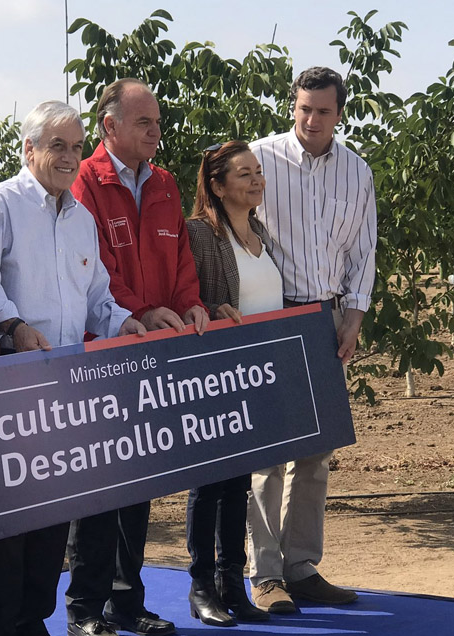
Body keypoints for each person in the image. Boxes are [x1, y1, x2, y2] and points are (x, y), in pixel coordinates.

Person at [0, 100, 146, 636]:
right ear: (30, 150)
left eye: (75, 146)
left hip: (66, 387)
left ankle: (33, 620)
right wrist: (14, 324)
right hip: (9, 387)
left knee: (49, 516)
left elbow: (96, 298)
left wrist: (123, 324)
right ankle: (0, 627)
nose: (70, 157)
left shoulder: (82, 219)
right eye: (57, 146)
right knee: (6, 519)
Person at [66, 77, 208, 636]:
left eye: (156, 120)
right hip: (107, 352)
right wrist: (141, 314)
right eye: (143, 122)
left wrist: (189, 304)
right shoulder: (86, 182)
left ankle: (127, 603)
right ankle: (85, 609)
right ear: (110, 127)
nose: (156, 130)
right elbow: (95, 270)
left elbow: (179, 257)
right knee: (101, 487)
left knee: (141, 481)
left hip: (157, 354)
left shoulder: (167, 183)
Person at [245, 66, 377, 612]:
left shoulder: (356, 171)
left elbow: (363, 249)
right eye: (303, 108)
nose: (311, 119)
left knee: (316, 452)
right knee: (269, 452)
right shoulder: (260, 159)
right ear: (291, 106)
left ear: (339, 112)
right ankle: (264, 572)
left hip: (326, 318)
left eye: (323, 110)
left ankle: (301, 565)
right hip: (270, 318)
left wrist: (355, 314)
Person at [183, 140, 277, 626]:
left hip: (257, 376)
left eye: (257, 171)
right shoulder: (200, 234)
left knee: (238, 484)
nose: (255, 180)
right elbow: (187, 296)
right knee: (209, 483)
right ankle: (202, 586)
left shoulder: (262, 233)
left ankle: (231, 583)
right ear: (217, 186)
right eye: (244, 174)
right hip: (215, 376)